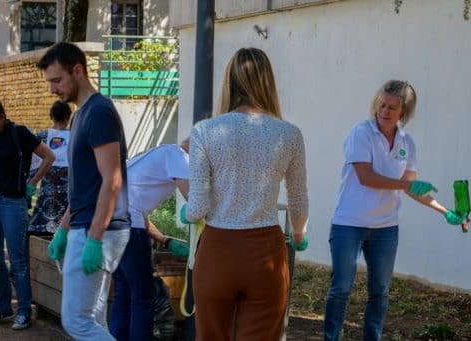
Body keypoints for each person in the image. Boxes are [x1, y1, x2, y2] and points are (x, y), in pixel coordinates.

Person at [178, 47, 308, 340]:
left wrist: (186, 214)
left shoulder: (204, 132)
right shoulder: (289, 134)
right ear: (268, 82)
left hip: (217, 252)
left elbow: (197, 207)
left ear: (229, 82)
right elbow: (299, 199)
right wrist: (299, 234)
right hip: (266, 254)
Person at [323, 80, 468, 341]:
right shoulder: (361, 133)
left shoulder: (407, 143)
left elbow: (413, 189)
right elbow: (366, 177)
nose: (384, 111)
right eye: (381, 104)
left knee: (380, 290)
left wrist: (445, 211)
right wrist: (405, 183)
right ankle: (330, 337)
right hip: (349, 224)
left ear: (404, 112)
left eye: (392, 107)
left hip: (385, 229)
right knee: (341, 287)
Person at [39, 42, 131, 341]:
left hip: (98, 230)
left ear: (77, 70)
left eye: (57, 80)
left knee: (77, 322)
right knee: (93, 321)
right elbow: (84, 186)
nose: (53, 90)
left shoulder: (99, 112)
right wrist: (63, 230)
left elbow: (112, 180)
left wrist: (93, 238)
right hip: (87, 225)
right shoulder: (80, 116)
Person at [0, 98, 55, 330]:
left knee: (17, 260)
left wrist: (32, 182)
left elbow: (49, 157)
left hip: (13, 203)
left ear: (1, 115)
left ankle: (24, 311)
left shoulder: (19, 132)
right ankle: (3, 308)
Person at [110, 139, 190, 341]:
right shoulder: (178, 156)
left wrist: (166, 241)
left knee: (123, 294)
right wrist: (194, 209)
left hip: (110, 228)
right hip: (130, 230)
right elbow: (194, 200)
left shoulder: (153, 155)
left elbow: (138, 211)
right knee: (141, 297)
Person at [28, 100, 72, 235]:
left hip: (47, 189)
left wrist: (31, 183)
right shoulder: (76, 136)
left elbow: (33, 165)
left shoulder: (42, 136)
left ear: (51, 116)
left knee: (41, 228)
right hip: (69, 190)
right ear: (68, 117)